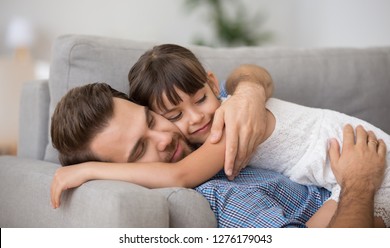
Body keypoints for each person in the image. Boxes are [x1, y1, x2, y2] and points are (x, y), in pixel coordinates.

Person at [50, 82, 386, 227]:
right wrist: (359, 183)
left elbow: (247, 76)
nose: (166, 136)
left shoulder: (203, 119)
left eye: (152, 119)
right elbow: (178, 177)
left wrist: (250, 90)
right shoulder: (219, 194)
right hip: (358, 182)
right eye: (140, 148)